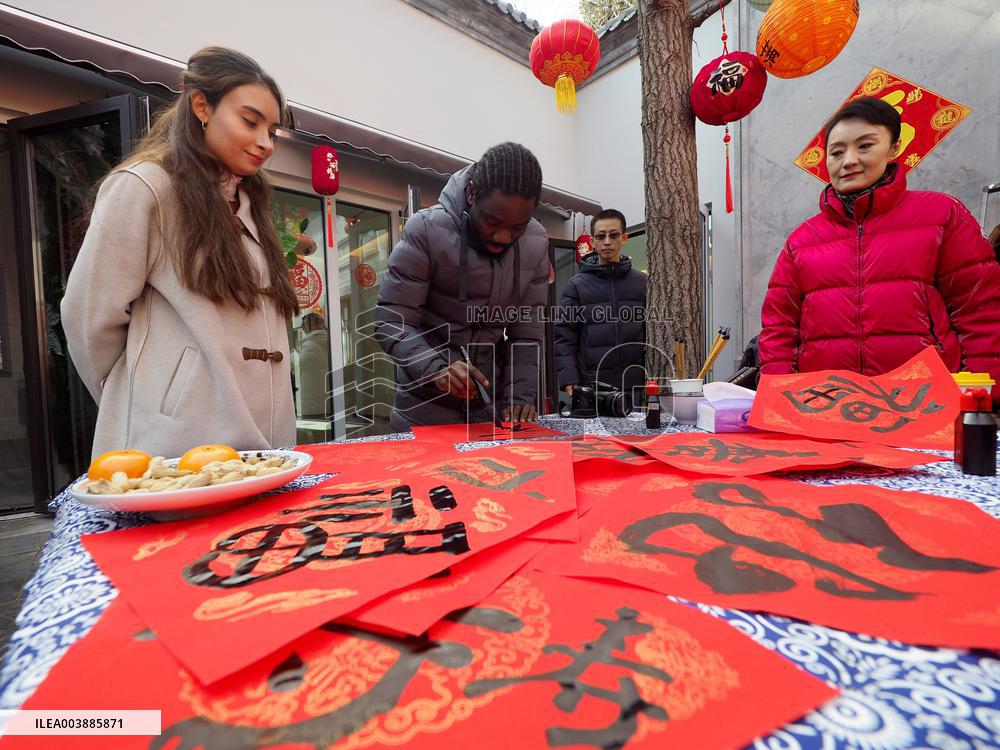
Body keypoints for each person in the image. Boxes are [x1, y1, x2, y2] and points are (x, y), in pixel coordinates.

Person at [62, 47, 298, 458]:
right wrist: (145, 398)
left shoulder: (248, 203)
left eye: (272, 131)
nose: (265, 143)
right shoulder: (145, 186)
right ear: (202, 106)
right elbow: (88, 319)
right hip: (175, 451)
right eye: (250, 121)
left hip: (264, 444)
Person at [759, 97, 1000, 398]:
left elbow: (980, 310)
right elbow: (779, 330)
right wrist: (780, 399)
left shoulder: (941, 215)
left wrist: (981, 396)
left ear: (894, 148)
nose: (848, 160)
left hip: (924, 403)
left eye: (865, 146)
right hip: (828, 407)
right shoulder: (801, 241)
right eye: (836, 152)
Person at [374, 142, 550, 430]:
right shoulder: (426, 230)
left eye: (518, 226)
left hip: (487, 406)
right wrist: (436, 369)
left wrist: (519, 396)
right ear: (471, 193)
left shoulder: (536, 242)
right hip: (423, 408)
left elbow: (527, 332)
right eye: (492, 221)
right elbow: (392, 321)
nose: (504, 237)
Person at [555, 209, 647, 406]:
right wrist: (568, 378)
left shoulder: (643, 283)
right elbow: (564, 337)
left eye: (613, 235)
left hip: (635, 387)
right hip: (592, 388)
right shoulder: (576, 286)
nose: (607, 241)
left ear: (624, 238)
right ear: (593, 242)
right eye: (600, 236)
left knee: (639, 438)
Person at [296, 312, 330, 419]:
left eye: (304, 326)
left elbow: (300, 363)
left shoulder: (311, 343)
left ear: (314, 325)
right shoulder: (330, 340)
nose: (303, 329)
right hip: (326, 396)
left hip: (313, 399)